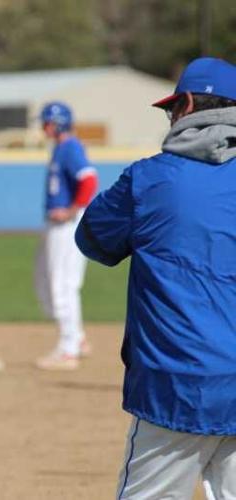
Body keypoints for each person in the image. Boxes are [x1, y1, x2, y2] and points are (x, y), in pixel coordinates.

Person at [75, 57, 236, 499]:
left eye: (172, 109)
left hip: (176, 387)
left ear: (186, 105)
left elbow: (94, 241)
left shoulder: (148, 178)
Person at [33, 101, 98, 370]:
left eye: (46, 122)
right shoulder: (61, 148)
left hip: (67, 225)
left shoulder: (70, 147)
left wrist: (72, 210)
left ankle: (68, 349)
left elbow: (89, 179)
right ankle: (78, 339)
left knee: (63, 285)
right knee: (46, 281)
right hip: (58, 225)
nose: (43, 126)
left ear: (57, 123)